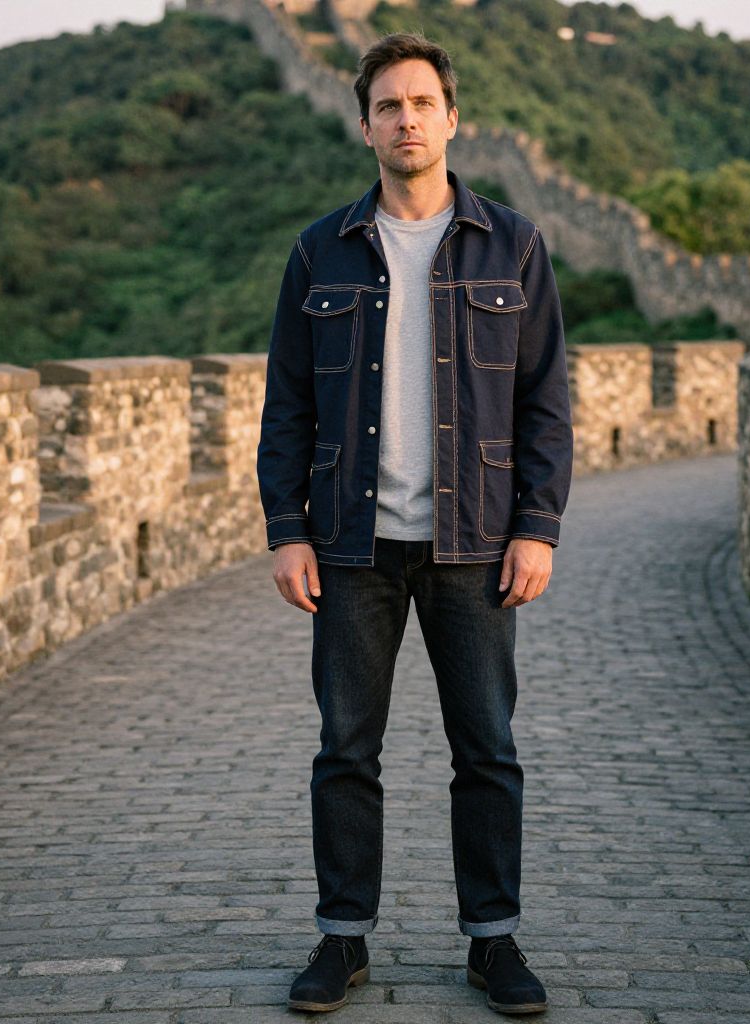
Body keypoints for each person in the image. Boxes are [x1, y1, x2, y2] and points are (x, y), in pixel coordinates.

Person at [256, 30, 573, 1016]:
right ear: (363, 126)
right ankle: (341, 938)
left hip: (475, 542)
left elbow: (545, 402)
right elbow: (288, 404)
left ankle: (493, 942)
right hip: (350, 546)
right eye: (387, 105)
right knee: (346, 747)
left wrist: (538, 525)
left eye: (421, 102)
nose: (406, 119)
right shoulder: (319, 250)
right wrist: (285, 526)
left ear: (451, 117)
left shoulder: (512, 245)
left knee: (486, 748)